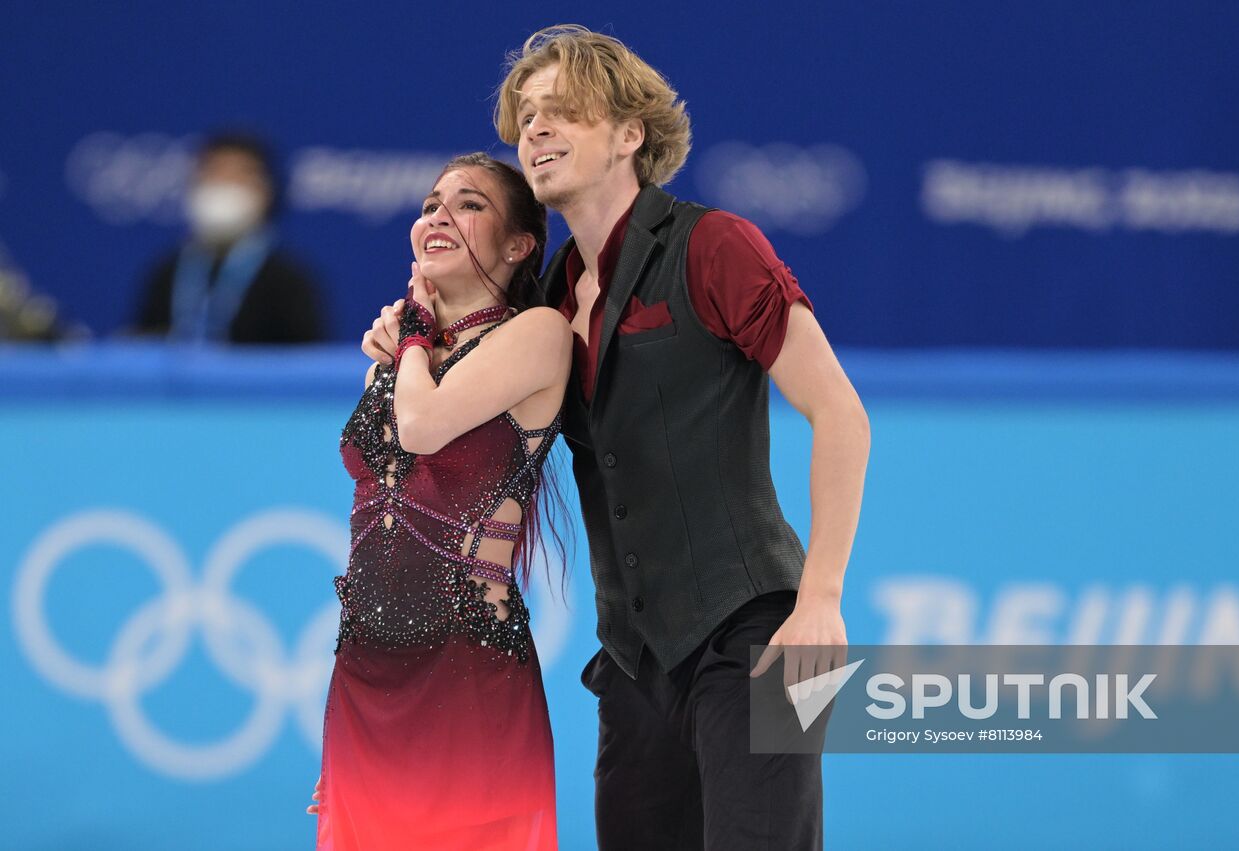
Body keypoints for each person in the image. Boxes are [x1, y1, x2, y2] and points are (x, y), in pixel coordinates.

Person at [363, 25, 870, 849]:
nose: (536, 130)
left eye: (562, 111)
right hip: (632, 662)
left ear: (630, 135)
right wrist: (405, 336)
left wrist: (822, 599)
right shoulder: (552, 295)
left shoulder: (716, 246)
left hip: (759, 634)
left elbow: (841, 413)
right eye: (527, 117)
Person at [310, 152, 572, 850]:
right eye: (430, 204)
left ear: (519, 246)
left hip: (468, 679)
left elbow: (424, 428)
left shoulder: (538, 334)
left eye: (470, 204)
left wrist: (417, 335)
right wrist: (407, 347)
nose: (438, 215)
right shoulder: (395, 361)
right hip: (366, 679)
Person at [132, 132, 326, 343]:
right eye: (215, 173)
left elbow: (304, 366)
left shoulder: (290, 281)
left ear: (267, 191)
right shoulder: (167, 273)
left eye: (240, 176)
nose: (225, 185)